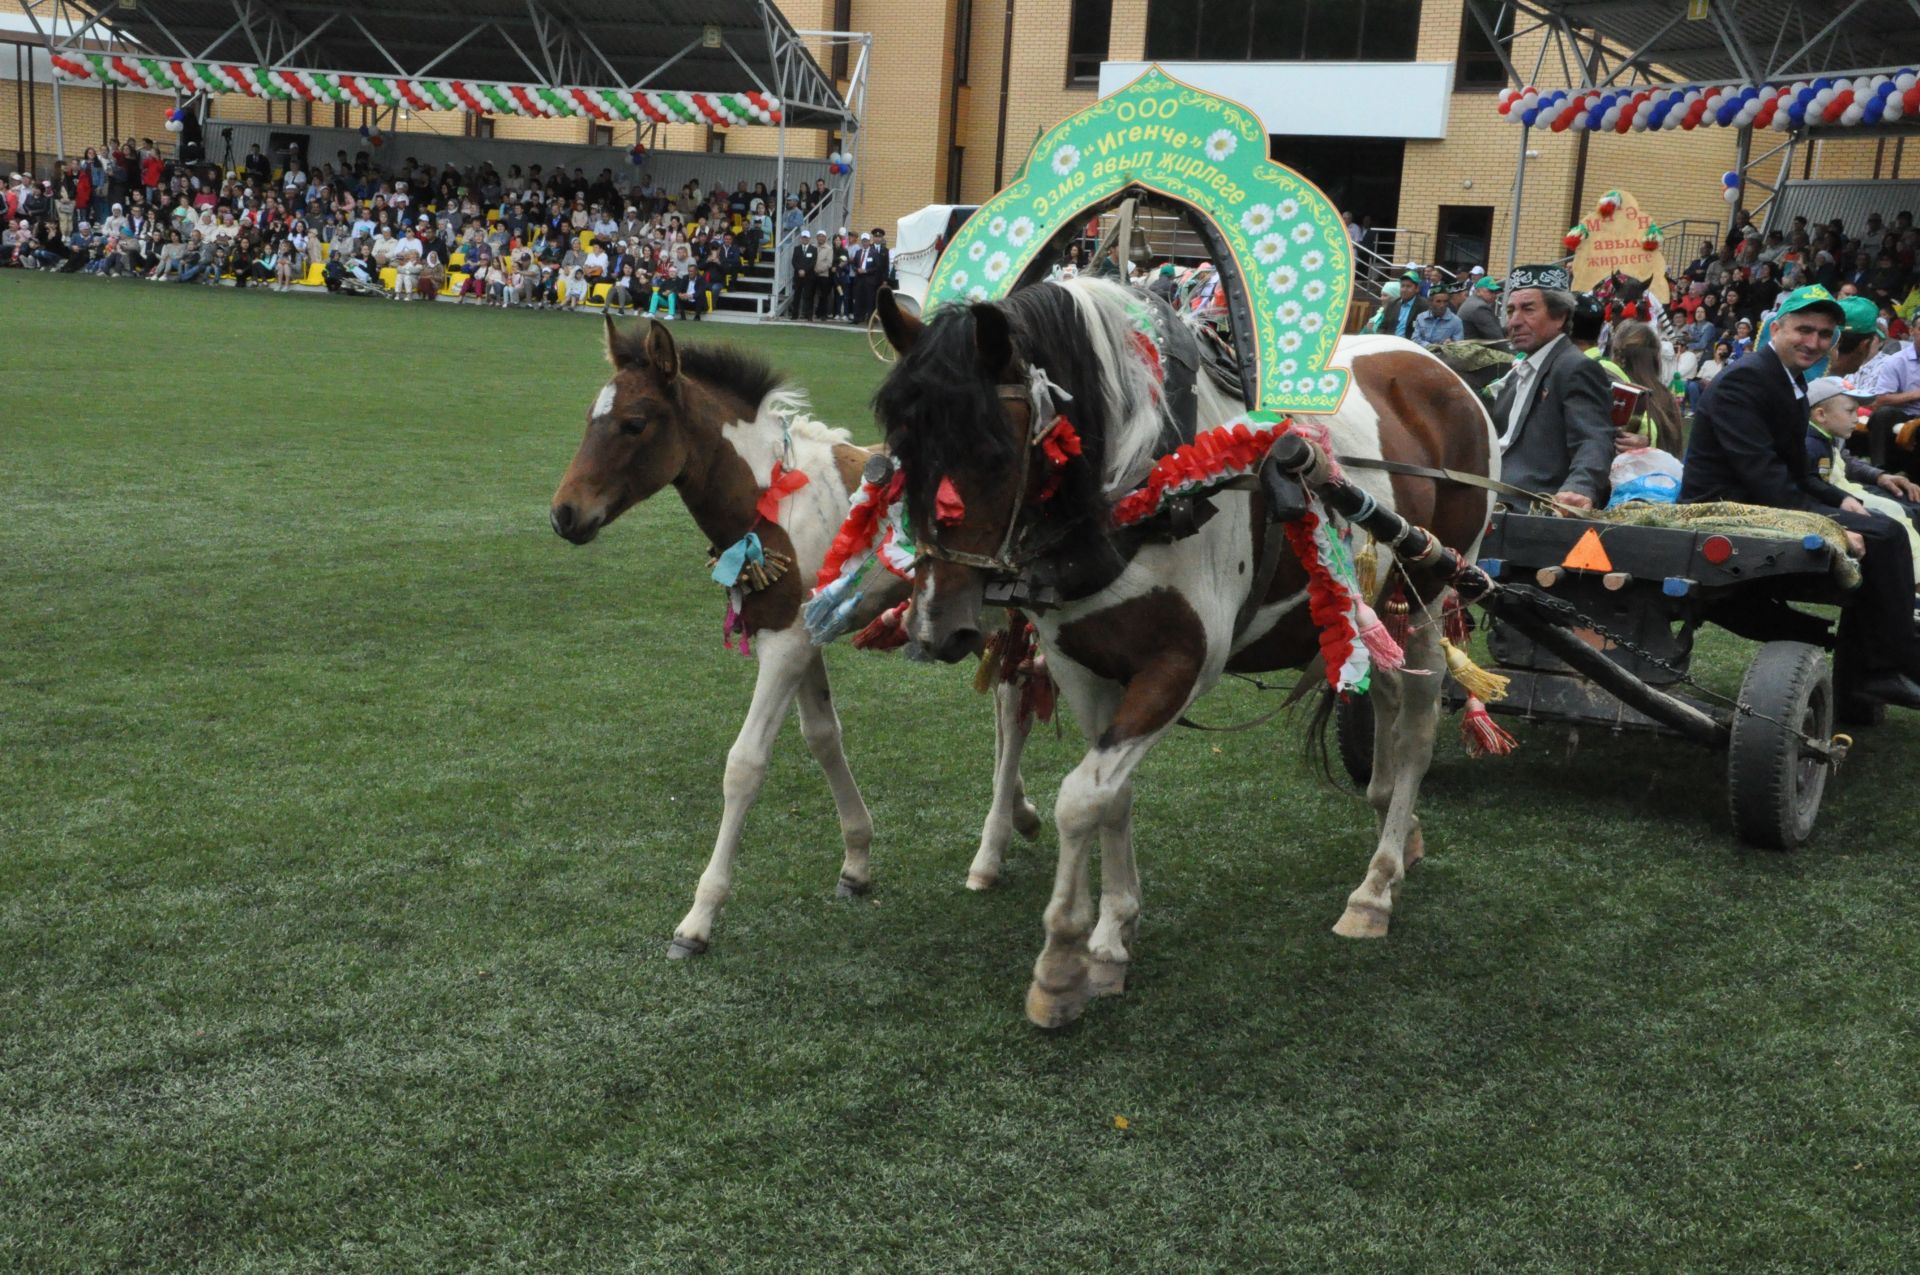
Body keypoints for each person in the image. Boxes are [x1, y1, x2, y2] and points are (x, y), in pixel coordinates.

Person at [1682, 284, 1920, 708]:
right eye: (1804, 330)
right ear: (1777, 327)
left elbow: (1796, 470)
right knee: (1885, 538)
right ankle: (1882, 669)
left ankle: (1873, 672)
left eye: (1825, 334)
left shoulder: (1784, 378)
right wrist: (1825, 520)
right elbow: (1764, 477)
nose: (1814, 342)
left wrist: (1838, 499)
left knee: (1883, 528)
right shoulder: (1748, 379)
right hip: (1723, 508)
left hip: (1754, 497)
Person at [1489, 263, 1616, 508]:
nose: (1513, 322)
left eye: (1528, 309)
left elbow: (1594, 438)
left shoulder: (1575, 367)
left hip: (1531, 508)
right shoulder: (1518, 372)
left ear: (1560, 316)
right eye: (1510, 310)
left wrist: (1580, 487)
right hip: (1492, 497)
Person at [1803, 376, 1920, 565]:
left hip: (1850, 488)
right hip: (1840, 496)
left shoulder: (1830, 435)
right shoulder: (1812, 444)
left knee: (1912, 506)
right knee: (1897, 517)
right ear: (1820, 415)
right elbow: (1813, 481)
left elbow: (1844, 461)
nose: (1857, 418)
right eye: (1850, 411)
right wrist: (1841, 498)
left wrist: (1880, 476)